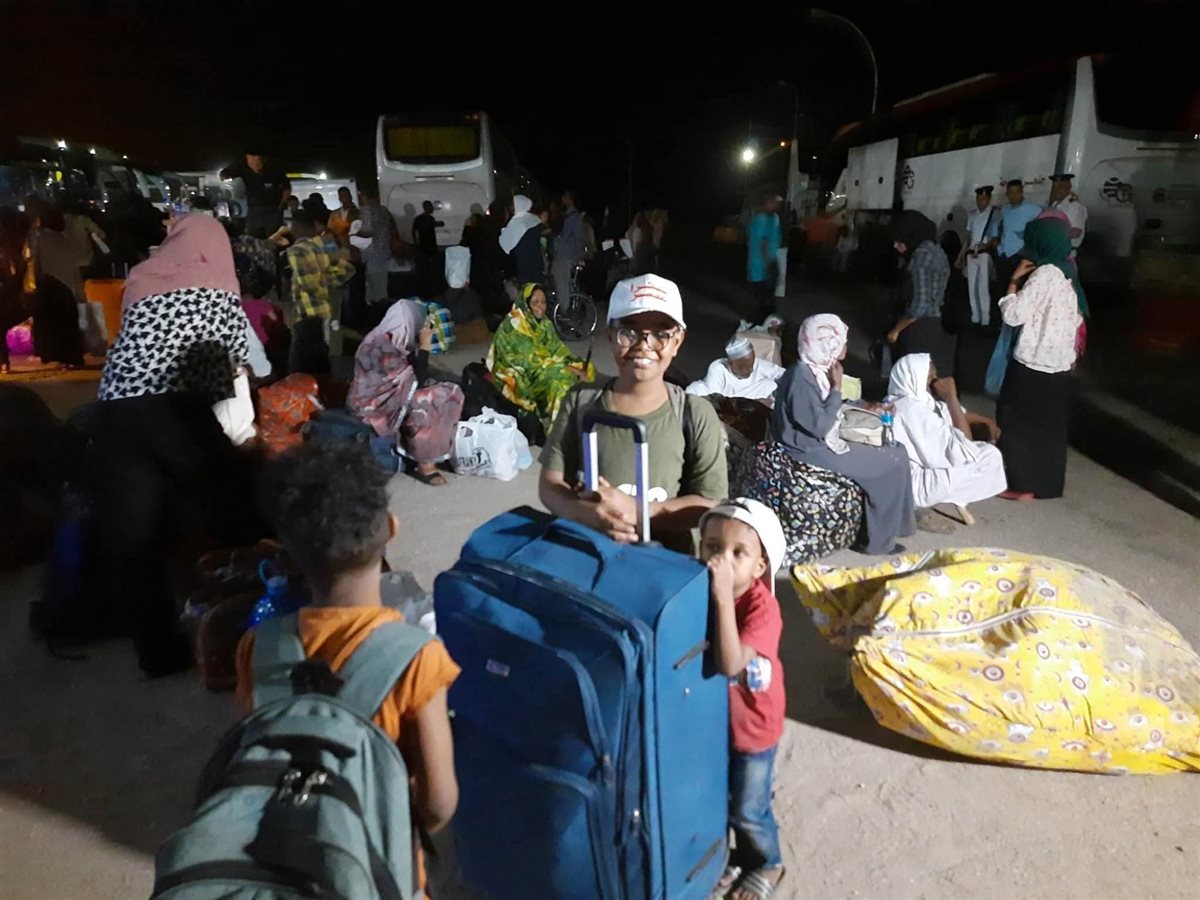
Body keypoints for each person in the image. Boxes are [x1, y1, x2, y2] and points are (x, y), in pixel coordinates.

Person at [235, 443, 460, 893]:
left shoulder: (257, 646)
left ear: (287, 558)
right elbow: (438, 802)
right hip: (377, 872)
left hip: (287, 861)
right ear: (391, 528)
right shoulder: (417, 657)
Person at [94, 213, 260, 675]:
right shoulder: (218, 284)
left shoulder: (141, 277)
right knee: (236, 504)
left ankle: (158, 654)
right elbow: (223, 370)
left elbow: (127, 344)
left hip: (116, 411)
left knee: (137, 539)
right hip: (174, 407)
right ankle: (242, 616)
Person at [540, 274, 727, 547]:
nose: (643, 345)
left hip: (665, 562)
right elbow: (550, 483)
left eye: (661, 334)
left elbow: (710, 505)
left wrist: (638, 511)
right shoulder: (581, 401)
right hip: (589, 555)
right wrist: (581, 512)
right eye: (629, 332)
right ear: (610, 336)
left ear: (677, 342)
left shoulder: (696, 415)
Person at [700, 498, 787, 900]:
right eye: (713, 546)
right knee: (720, 799)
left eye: (739, 552)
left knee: (749, 809)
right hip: (716, 722)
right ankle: (736, 856)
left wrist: (721, 598)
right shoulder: (700, 591)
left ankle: (768, 862)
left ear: (760, 567)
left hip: (754, 729)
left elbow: (731, 663)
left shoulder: (762, 609)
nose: (722, 560)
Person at [773, 315, 916, 554]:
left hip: (815, 443)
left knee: (898, 451)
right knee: (889, 465)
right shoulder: (801, 377)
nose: (845, 347)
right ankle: (878, 543)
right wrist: (837, 388)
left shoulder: (814, 370)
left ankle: (896, 526)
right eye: (841, 342)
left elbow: (824, 408)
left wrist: (865, 405)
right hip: (808, 450)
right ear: (826, 344)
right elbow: (819, 426)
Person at [994, 217, 1085, 500]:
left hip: (1032, 364)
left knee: (1015, 422)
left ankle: (1018, 483)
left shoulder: (1044, 274)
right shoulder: (1068, 273)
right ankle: (1046, 485)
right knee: (1049, 429)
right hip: (1059, 367)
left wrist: (1013, 282)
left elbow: (1014, 315)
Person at [347, 299, 465, 486]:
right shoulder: (382, 346)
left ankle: (434, 449)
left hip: (381, 401)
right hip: (373, 409)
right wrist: (424, 348)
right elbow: (417, 382)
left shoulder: (390, 339)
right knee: (434, 399)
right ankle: (426, 464)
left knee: (444, 388)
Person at [885, 353, 1007, 510]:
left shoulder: (909, 400)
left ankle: (958, 494)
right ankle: (956, 496)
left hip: (919, 474)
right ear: (915, 379)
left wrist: (987, 422)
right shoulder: (912, 409)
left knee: (987, 453)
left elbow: (956, 414)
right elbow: (965, 452)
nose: (936, 383)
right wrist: (951, 397)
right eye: (930, 379)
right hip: (915, 484)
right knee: (989, 457)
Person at [486, 282, 596, 427]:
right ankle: (559, 431)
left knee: (588, 369)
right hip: (522, 373)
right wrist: (570, 369)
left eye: (543, 302)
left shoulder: (544, 323)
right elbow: (529, 362)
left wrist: (576, 365)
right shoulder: (514, 324)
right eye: (535, 302)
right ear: (526, 303)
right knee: (560, 380)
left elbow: (558, 349)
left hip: (543, 365)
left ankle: (581, 422)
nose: (540, 306)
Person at [285, 208, 354, 375]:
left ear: (297, 226)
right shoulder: (327, 243)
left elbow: (310, 285)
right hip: (326, 311)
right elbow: (348, 269)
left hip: (307, 312)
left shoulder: (297, 250)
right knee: (321, 361)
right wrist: (327, 280)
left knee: (300, 366)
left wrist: (320, 282)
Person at [886, 210, 954, 376]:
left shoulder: (921, 257)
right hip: (936, 323)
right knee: (930, 376)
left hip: (920, 329)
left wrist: (896, 330)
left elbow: (919, 306)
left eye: (899, 239)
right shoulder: (936, 250)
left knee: (912, 377)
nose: (895, 245)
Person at [23, 200, 86, 368]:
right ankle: (72, 357)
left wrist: (31, 283)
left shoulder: (39, 237)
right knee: (68, 324)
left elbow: (35, 262)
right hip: (68, 287)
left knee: (51, 324)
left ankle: (55, 355)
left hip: (49, 285)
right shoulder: (65, 239)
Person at [686, 335, 785, 401]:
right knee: (694, 390)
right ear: (730, 363)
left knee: (771, 385)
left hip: (754, 402)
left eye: (752, 364)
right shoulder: (718, 368)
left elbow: (784, 375)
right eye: (745, 367)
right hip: (729, 405)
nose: (751, 369)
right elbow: (715, 399)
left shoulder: (758, 365)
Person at [990, 179, 1042, 303]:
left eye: (1017, 192)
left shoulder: (1033, 209)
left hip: (1020, 255)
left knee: (1020, 292)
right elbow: (996, 225)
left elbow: (1041, 228)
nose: (1014, 195)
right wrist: (995, 240)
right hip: (1003, 254)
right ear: (1007, 194)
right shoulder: (1004, 209)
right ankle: (1005, 314)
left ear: (1022, 192)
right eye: (1011, 192)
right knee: (1003, 290)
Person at [220, 152, 291, 238]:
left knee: (275, 238)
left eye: (259, 159)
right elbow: (225, 173)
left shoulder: (274, 168)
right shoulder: (240, 166)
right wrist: (224, 176)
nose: (256, 160)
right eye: (252, 159)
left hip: (273, 211)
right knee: (252, 237)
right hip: (254, 210)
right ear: (247, 157)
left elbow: (286, 188)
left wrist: (281, 205)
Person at [957, 185, 999, 327]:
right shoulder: (972, 214)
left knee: (983, 286)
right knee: (971, 286)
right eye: (978, 199)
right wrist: (961, 254)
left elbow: (996, 236)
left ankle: (985, 318)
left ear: (988, 199)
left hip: (984, 252)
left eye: (983, 199)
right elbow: (967, 236)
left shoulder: (994, 214)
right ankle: (975, 316)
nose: (980, 202)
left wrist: (986, 246)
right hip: (971, 252)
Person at [356, 184, 393, 305]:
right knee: (382, 286)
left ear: (365, 197)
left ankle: (375, 311)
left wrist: (352, 232)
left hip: (371, 253)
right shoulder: (384, 210)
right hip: (384, 251)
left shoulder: (367, 210)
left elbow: (367, 232)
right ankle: (383, 308)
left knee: (372, 287)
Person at [747, 196, 782, 321]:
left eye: (778, 204)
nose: (776, 206)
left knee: (768, 296)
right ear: (766, 203)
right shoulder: (761, 219)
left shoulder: (775, 218)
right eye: (773, 203)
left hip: (769, 262)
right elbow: (763, 243)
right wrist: (769, 263)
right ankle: (759, 321)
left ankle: (767, 320)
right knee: (761, 297)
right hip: (761, 266)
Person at [499, 194, 544, 286]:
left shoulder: (517, 222)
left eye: (513, 204)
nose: (511, 207)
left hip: (523, 261)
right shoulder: (533, 219)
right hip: (535, 259)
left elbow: (505, 241)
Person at [552, 190, 585, 306]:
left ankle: (565, 309)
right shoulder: (569, 216)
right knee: (566, 283)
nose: (562, 200)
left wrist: (577, 257)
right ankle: (565, 307)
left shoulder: (572, 217)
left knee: (562, 283)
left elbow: (577, 238)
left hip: (566, 255)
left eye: (564, 197)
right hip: (567, 254)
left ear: (570, 199)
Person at [1049, 173, 1088, 254]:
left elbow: (1075, 232)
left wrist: (1051, 236)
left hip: (1066, 252)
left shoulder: (1074, 206)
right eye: (1054, 188)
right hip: (1053, 250)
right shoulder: (1055, 204)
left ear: (1068, 188)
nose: (1056, 192)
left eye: (1060, 188)